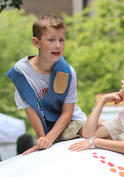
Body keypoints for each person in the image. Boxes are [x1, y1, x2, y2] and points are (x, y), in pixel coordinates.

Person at [6, 14, 87, 155]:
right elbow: (30, 108)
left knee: (103, 127)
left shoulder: (67, 71)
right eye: (51, 40)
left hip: (72, 122)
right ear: (36, 42)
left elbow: (68, 112)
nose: (58, 45)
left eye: (62, 40)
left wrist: (49, 138)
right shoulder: (21, 72)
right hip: (49, 128)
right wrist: (44, 138)